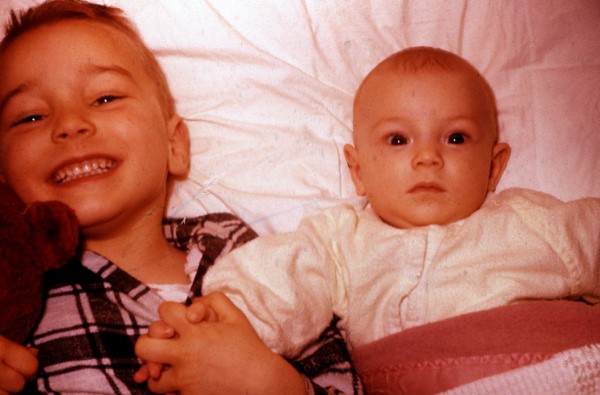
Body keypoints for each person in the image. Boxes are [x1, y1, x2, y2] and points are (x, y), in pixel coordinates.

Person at [134, 46, 600, 392]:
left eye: (456, 138)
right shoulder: (343, 241)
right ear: (357, 171)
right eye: (398, 141)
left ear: (495, 165)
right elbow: (284, 277)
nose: (427, 158)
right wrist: (212, 323)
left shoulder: (536, 221)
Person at [0, 1, 361, 394]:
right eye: (30, 117)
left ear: (175, 146)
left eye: (106, 98)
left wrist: (271, 384)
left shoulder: (248, 258)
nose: (69, 124)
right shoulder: (16, 290)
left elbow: (343, 379)